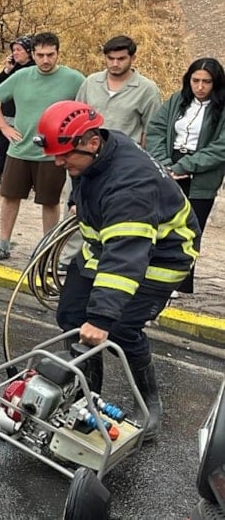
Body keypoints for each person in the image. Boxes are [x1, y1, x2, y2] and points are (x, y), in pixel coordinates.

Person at [37, 100, 198, 439]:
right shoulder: (99, 150)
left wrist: (100, 319)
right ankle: (86, 397)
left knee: (121, 329)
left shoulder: (130, 187)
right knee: (71, 316)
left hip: (160, 258)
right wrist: (77, 201)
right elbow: (87, 178)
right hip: (104, 247)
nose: (58, 162)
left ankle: (149, 406)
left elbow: (126, 258)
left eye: (64, 156)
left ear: (92, 142)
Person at [0, 31, 85, 263]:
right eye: (40, 55)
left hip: (52, 154)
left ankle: (47, 248)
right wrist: (4, 127)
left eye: (50, 55)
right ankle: (3, 244)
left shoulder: (74, 79)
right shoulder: (22, 76)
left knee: (49, 201)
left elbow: (86, 108)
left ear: (58, 53)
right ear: (33, 54)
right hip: (19, 149)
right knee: (10, 197)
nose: (45, 60)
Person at [146, 58, 225, 298]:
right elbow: (156, 129)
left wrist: (186, 166)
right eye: (195, 80)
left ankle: (180, 281)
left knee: (190, 229)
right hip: (170, 165)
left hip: (201, 174)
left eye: (206, 82)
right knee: (160, 223)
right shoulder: (177, 101)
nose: (200, 87)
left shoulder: (221, 109)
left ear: (216, 83)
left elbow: (220, 147)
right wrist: (165, 163)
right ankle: (152, 275)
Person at [75, 35, 162, 145]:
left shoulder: (147, 89)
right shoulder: (91, 82)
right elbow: (77, 118)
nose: (115, 64)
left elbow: (151, 130)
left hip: (126, 151)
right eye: (110, 58)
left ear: (133, 58)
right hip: (91, 150)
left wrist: (143, 154)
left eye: (121, 59)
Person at [0, 36, 35, 194]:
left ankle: (27, 182)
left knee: (24, 150)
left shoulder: (34, 70)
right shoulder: (14, 68)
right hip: (8, 116)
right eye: (14, 50)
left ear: (29, 52)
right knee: (2, 149)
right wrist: (7, 70)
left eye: (19, 50)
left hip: (25, 117)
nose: (15, 53)